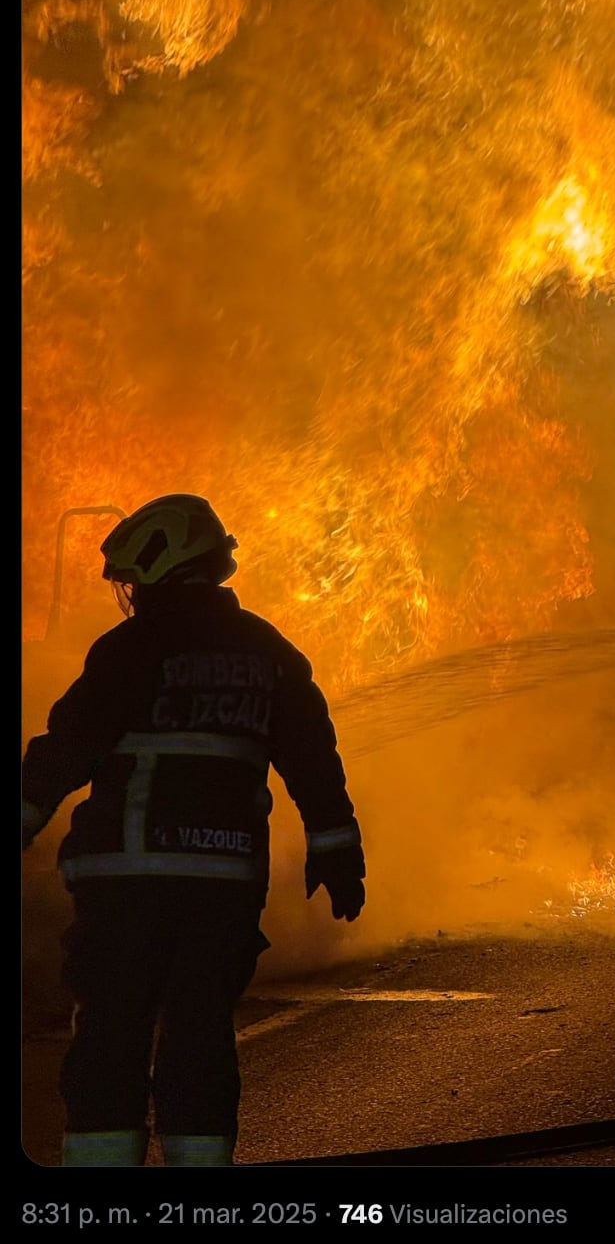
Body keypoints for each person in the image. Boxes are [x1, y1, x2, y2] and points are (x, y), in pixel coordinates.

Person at [21, 493, 366, 1167]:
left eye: (133, 582)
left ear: (162, 566)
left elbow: (68, 746)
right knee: (200, 1042)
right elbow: (313, 758)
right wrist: (337, 850)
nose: (131, 596)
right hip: (223, 889)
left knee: (110, 1044)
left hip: (128, 882)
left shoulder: (131, 649)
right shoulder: (271, 654)